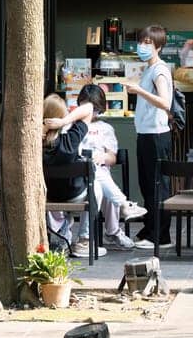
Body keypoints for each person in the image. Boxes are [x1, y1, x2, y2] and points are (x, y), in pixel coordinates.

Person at [44, 84, 148, 253]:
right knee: (94, 179)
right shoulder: (72, 130)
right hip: (73, 182)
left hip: (87, 179)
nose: (92, 114)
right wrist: (65, 122)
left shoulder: (104, 129)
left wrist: (102, 158)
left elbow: (112, 157)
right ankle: (120, 206)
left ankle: (108, 227)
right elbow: (86, 110)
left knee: (97, 177)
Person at [129, 25, 174, 248]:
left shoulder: (159, 70)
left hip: (156, 134)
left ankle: (160, 236)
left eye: (148, 43)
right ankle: (150, 229)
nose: (142, 46)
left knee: (157, 185)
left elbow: (165, 102)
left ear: (159, 46)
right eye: (141, 41)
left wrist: (139, 91)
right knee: (147, 184)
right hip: (146, 133)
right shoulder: (149, 69)